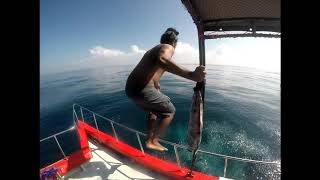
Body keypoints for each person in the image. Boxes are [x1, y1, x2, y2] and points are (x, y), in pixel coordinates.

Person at [125, 27, 206, 152]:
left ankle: (149, 138)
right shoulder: (167, 47)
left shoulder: (154, 49)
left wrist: (156, 84)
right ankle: (153, 140)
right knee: (169, 111)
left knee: (154, 111)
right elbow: (162, 60)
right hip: (142, 88)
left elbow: (152, 69)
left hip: (131, 89)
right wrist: (192, 75)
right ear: (174, 43)